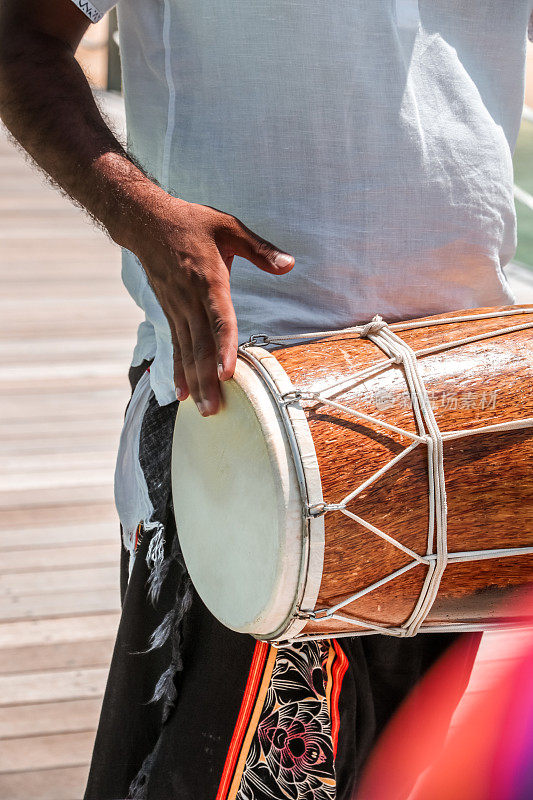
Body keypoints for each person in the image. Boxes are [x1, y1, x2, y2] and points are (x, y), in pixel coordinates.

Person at [0, 1, 530, 797]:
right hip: (249, 400)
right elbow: (19, 37)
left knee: (409, 773)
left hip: (471, 399)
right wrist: (144, 218)